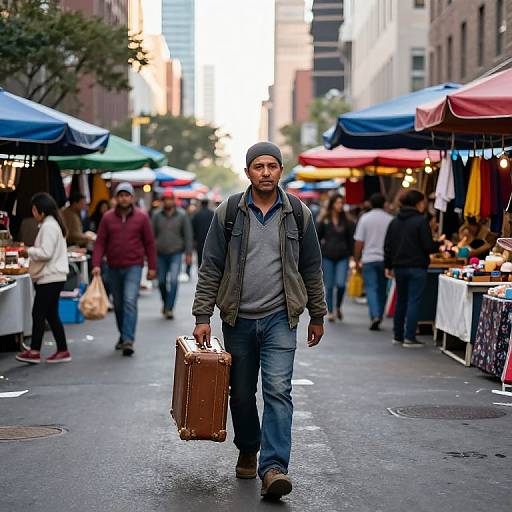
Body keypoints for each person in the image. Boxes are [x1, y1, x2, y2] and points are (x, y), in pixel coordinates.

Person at [192, 142, 326, 500]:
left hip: (281, 318)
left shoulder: (298, 213)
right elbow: (210, 267)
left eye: (272, 166)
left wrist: (318, 313)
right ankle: (249, 446)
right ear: (248, 171)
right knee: (241, 394)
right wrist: (202, 315)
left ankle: (274, 468)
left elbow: (311, 268)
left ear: (281, 170)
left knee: (279, 391)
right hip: (238, 319)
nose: (265, 172)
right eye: (258, 166)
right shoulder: (230, 212)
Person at [92, 183, 157, 356]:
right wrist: (96, 264)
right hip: (113, 267)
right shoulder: (107, 218)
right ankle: (123, 335)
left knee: (129, 301)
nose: (123, 198)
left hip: (133, 267)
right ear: (116, 198)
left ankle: (128, 339)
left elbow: (149, 243)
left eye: (126, 195)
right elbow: (100, 243)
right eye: (120, 195)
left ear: (132, 198)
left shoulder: (142, 218)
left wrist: (152, 267)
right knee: (119, 305)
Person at [16, 193, 71, 364]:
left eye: (34, 209)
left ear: (41, 210)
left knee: (39, 313)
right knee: (51, 314)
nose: (33, 212)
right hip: (54, 276)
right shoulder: (52, 225)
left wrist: (28, 251)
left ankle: (35, 351)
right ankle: (62, 350)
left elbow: (45, 253)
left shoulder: (48, 226)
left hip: (50, 277)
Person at [384, 189, 442, 347]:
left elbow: (388, 246)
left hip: (399, 267)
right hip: (417, 267)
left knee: (401, 301)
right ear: (418, 203)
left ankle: (398, 335)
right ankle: (410, 336)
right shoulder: (420, 221)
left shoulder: (394, 221)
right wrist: (440, 244)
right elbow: (428, 246)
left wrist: (388, 266)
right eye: (423, 202)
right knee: (413, 301)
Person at [354, 193, 393, 331]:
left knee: (371, 288)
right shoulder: (390, 219)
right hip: (385, 259)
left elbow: (359, 241)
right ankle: (379, 315)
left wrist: (357, 259)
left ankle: (375, 315)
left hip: (369, 259)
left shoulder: (365, 218)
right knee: (382, 289)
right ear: (384, 204)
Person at [152, 189, 193, 319]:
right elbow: (151, 235)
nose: (168, 202)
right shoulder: (156, 215)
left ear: (174, 201)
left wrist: (188, 253)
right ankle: (165, 302)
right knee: (162, 281)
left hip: (176, 252)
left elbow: (188, 235)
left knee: (174, 280)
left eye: (170, 199)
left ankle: (169, 308)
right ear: (163, 201)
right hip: (160, 253)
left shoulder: (182, 215)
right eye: (166, 199)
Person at [316, 194, 355, 322]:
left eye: (341, 203)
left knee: (341, 284)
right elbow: (317, 238)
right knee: (329, 285)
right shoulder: (324, 219)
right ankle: (331, 311)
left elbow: (351, 240)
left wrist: (353, 257)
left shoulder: (347, 221)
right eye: (338, 203)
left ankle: (338, 306)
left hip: (343, 256)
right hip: (327, 255)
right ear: (332, 204)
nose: (340, 205)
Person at [191, 197, 214, 269]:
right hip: (210, 241)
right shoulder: (212, 213)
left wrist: (194, 239)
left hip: (199, 241)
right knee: (209, 259)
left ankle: (201, 272)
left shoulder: (197, 214)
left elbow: (193, 228)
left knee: (200, 259)